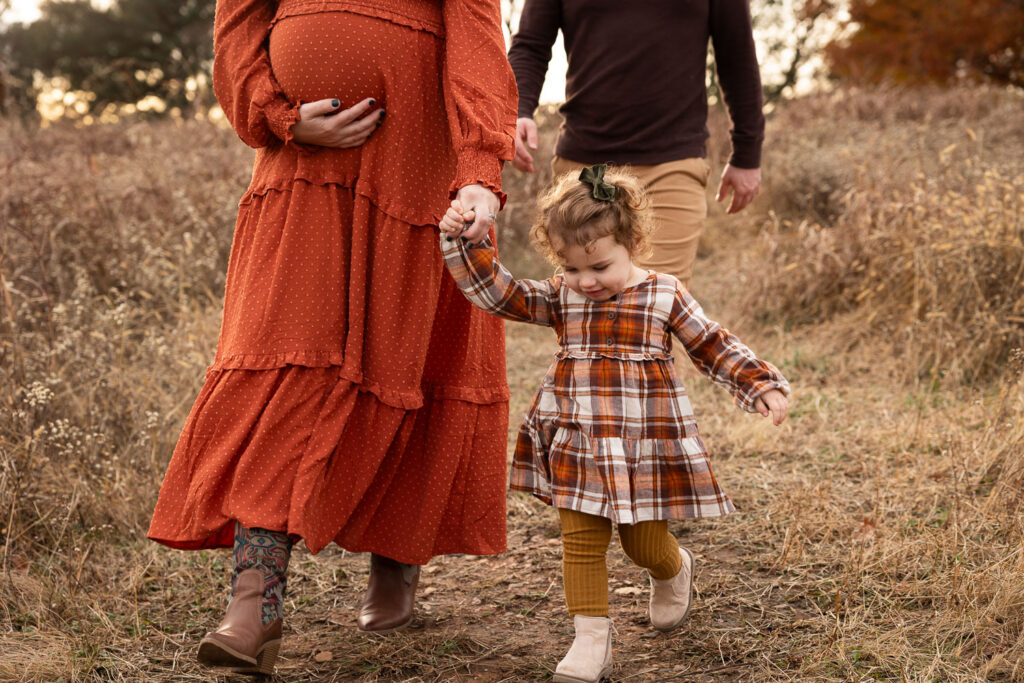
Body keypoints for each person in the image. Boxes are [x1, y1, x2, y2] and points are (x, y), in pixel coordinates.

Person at [147, 0, 516, 674]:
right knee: (287, 359)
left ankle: (395, 563)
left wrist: (479, 171)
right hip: (302, 165)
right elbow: (238, 23)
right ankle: (255, 601)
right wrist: (277, 114)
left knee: (408, 357)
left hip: (415, 160)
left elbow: (476, 37)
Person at [438, 165, 790, 683]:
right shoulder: (564, 295)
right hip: (577, 439)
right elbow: (500, 293)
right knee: (580, 539)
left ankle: (674, 568)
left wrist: (760, 383)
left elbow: (711, 343)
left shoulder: (663, 293)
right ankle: (590, 640)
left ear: (633, 243)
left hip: (644, 442)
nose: (585, 281)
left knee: (642, 543)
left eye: (599, 266)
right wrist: (463, 240)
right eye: (571, 268)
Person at [507, 0, 766, 289]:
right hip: (584, 167)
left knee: (655, 305)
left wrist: (747, 153)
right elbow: (530, 44)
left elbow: (737, 53)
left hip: (670, 163)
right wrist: (516, 111)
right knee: (585, 304)